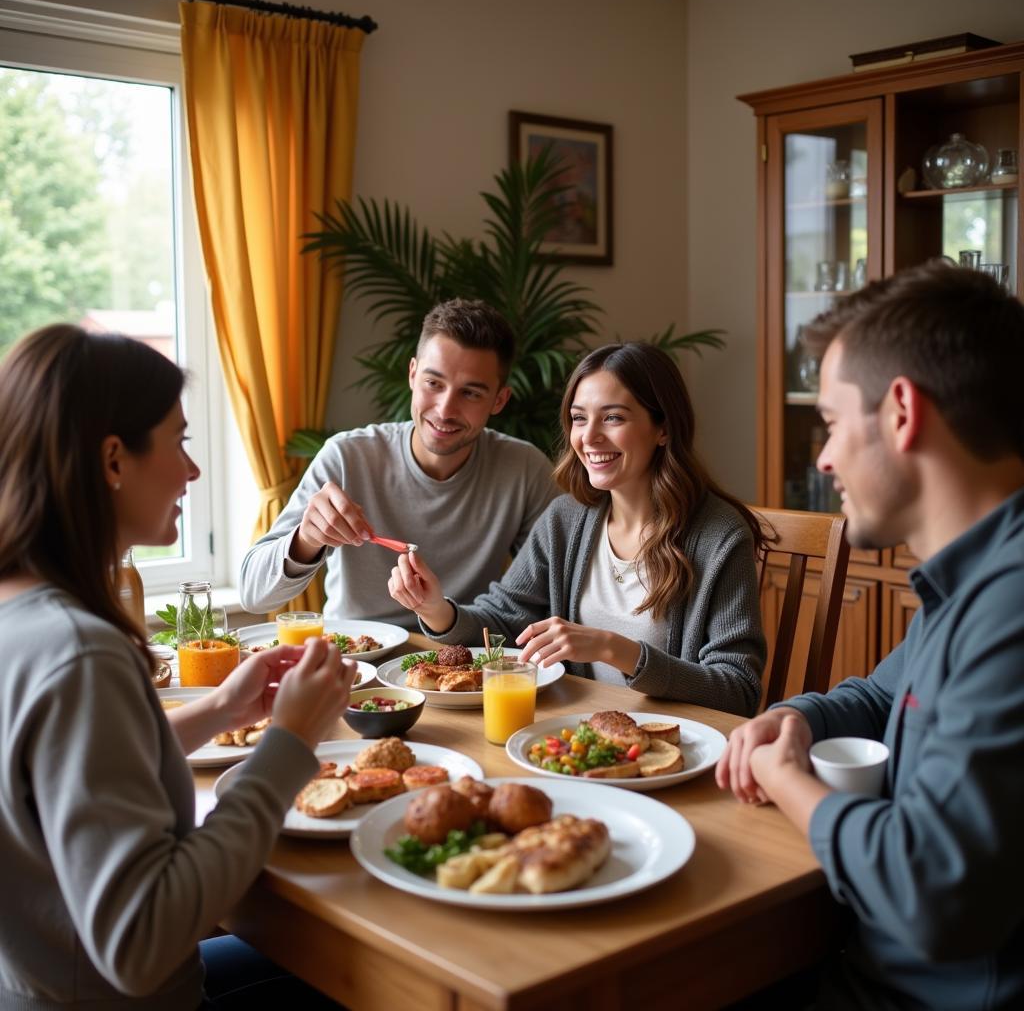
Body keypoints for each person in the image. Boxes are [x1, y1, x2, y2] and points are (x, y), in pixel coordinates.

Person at [0, 324, 357, 1009]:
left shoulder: (21, 615)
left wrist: (223, 709)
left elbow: (64, 784)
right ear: (113, 460)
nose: (193, 471)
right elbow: (140, 942)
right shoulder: (76, 654)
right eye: (179, 441)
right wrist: (289, 744)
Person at [717, 262, 1024, 1009]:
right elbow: (882, 692)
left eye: (828, 422)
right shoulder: (973, 576)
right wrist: (796, 717)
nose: (821, 459)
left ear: (900, 412)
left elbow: (931, 893)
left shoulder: (1010, 604)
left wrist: (789, 780)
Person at [389, 342, 766, 715]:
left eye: (614, 418)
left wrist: (614, 649)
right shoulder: (565, 520)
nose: (589, 437)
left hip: (675, 748)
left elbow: (738, 690)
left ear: (663, 428)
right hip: (574, 737)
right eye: (579, 418)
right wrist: (437, 610)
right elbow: (505, 621)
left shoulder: (719, 537)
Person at [239, 299, 560, 629]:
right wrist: (306, 540)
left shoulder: (525, 470)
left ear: (499, 400)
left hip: (464, 663)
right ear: (412, 374)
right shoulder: (347, 458)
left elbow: (554, 589)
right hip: (355, 668)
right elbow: (253, 595)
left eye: (470, 393)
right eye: (433, 383)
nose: (445, 409)